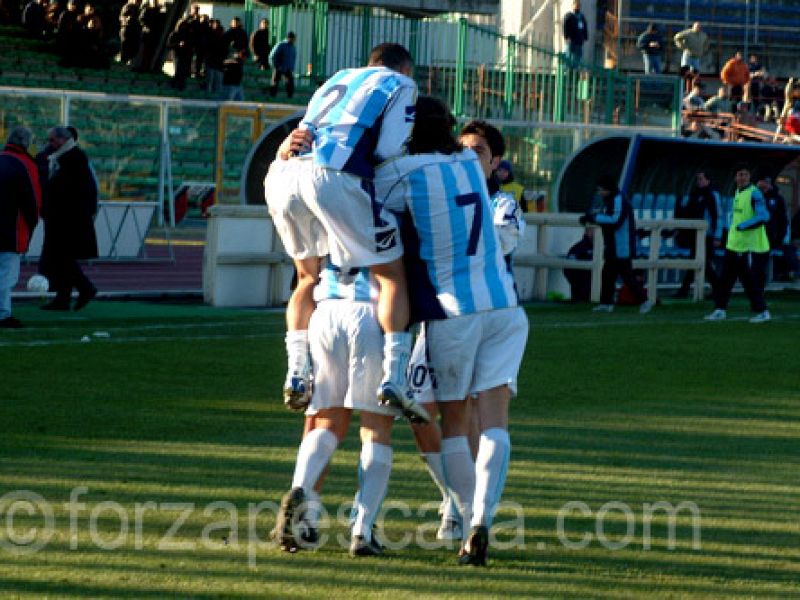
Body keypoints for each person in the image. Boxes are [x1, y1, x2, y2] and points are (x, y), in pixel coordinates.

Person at [376, 96, 528, 566]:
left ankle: (466, 521)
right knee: (496, 421)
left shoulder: (405, 173)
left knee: (456, 421)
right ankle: (481, 518)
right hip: (505, 305)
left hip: (455, 310)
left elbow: (367, 191)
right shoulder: (468, 163)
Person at [264, 43, 425, 422]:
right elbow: (388, 149)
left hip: (284, 173)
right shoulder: (399, 84)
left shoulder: (337, 77)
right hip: (333, 175)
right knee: (392, 276)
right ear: (404, 67)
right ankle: (393, 376)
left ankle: (297, 370)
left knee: (306, 277)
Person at [270, 262, 404, 557]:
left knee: (326, 423)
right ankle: (362, 530)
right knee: (376, 429)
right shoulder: (389, 212)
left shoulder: (325, 213)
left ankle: (301, 490)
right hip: (373, 310)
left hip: (326, 310)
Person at [38, 126, 98, 311]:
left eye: (53, 140)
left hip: (69, 219)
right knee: (60, 258)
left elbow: (67, 190)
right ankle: (63, 297)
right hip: (60, 217)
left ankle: (84, 288)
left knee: (62, 257)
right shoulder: (59, 157)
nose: (50, 144)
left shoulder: (75, 158)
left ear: (63, 140)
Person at [705, 164, 771, 323]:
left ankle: (762, 311)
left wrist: (743, 226)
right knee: (725, 279)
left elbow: (763, 216)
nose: (742, 178)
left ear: (749, 177)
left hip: (749, 246)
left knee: (749, 281)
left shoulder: (754, 193)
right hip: (734, 245)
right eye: (739, 175)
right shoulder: (737, 192)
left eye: (745, 174)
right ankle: (720, 309)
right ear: (735, 177)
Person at [580, 174, 652, 313]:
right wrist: (592, 218)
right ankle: (606, 303)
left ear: (608, 189)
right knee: (607, 274)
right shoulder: (611, 200)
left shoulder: (618, 200)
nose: (599, 192)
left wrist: (594, 218)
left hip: (621, 246)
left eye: (601, 189)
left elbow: (615, 220)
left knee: (627, 276)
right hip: (614, 245)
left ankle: (645, 300)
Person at [0, 127, 40, 329]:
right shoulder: (25, 165)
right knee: (6, 273)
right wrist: (33, 222)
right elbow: (32, 200)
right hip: (11, 229)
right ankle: (3, 314)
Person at [673, 171, 722, 298]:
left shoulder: (713, 195)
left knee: (702, 261)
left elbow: (718, 216)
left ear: (708, 180)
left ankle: (718, 289)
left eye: (701, 179)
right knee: (698, 261)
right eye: (697, 179)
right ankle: (716, 289)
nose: (698, 181)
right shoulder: (695, 195)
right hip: (696, 234)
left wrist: (717, 235)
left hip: (708, 234)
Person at [758, 176, 799, 281]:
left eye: (766, 183)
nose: (764, 186)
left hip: (772, 236)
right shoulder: (754, 197)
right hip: (756, 234)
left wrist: (781, 236)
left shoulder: (777, 199)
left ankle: (772, 276)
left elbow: (783, 220)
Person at [564, 227, 593, 302]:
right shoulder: (579, 248)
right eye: (592, 230)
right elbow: (569, 269)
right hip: (582, 284)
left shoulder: (605, 245)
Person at [268, 31, 297, 98]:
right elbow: (272, 56)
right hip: (279, 68)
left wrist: (291, 68)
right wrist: (276, 66)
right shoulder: (281, 45)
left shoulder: (292, 47)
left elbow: (293, 58)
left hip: (288, 69)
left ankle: (290, 98)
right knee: (274, 83)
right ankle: (272, 97)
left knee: (290, 84)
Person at [562, 0, 588, 67]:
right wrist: (566, 36)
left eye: (578, 5)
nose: (577, 7)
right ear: (572, 5)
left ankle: (575, 71)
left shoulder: (581, 17)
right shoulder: (569, 15)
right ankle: (567, 70)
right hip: (571, 40)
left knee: (578, 56)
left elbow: (584, 26)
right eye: (576, 5)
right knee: (569, 55)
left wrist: (585, 36)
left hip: (579, 40)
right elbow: (565, 26)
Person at [204, 19, 226, 96]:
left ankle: (214, 98)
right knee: (211, 81)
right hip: (212, 62)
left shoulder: (221, 36)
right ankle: (209, 97)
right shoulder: (211, 35)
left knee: (216, 82)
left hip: (217, 63)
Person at [118, 0, 141, 65]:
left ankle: (126, 61)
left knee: (132, 49)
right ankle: (123, 62)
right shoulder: (128, 6)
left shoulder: (138, 8)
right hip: (127, 29)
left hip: (133, 31)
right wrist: (127, 19)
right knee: (125, 48)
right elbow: (122, 17)